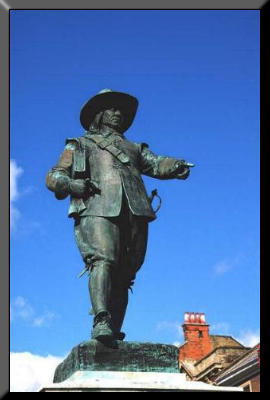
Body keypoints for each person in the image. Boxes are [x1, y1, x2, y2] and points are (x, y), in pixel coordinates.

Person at [46, 89, 192, 342]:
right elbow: (54, 176)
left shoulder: (135, 148)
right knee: (103, 259)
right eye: (111, 109)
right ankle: (101, 320)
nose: (117, 114)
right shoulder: (81, 144)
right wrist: (73, 186)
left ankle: (114, 330)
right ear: (99, 114)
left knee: (125, 274)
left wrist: (176, 165)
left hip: (135, 211)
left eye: (120, 111)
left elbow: (156, 164)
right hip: (98, 208)